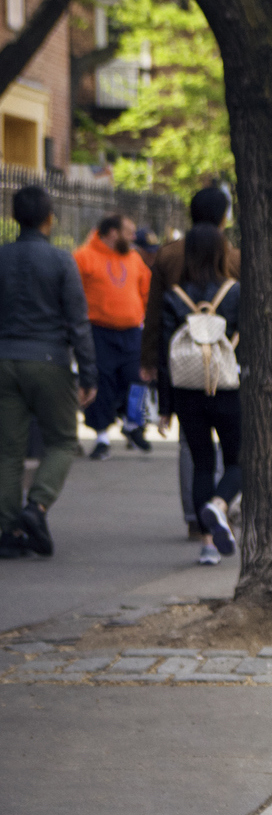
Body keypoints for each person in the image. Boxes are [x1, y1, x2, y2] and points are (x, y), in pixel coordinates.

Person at [0, 186, 96, 559]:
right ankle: (36, 507)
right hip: (48, 359)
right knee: (61, 440)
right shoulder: (60, 260)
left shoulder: (2, 257)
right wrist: (88, 374)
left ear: (14, 218)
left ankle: (8, 530)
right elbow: (78, 321)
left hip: (4, 358)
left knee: (7, 450)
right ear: (49, 218)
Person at [146, 187, 240, 543]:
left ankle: (200, 530)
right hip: (227, 382)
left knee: (197, 456)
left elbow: (159, 331)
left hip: (185, 381)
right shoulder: (235, 274)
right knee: (236, 458)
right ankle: (221, 504)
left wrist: (163, 402)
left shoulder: (170, 271)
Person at [75, 213, 154, 460]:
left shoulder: (134, 259)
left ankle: (133, 425)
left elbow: (146, 291)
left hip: (131, 331)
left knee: (138, 380)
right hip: (98, 331)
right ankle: (101, 437)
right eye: (129, 232)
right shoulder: (83, 257)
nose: (133, 237)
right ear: (112, 233)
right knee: (102, 382)